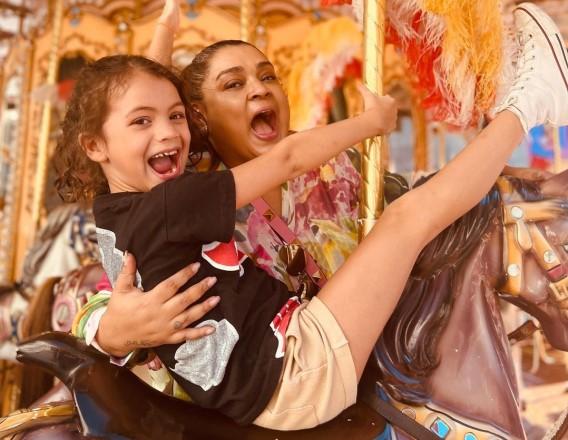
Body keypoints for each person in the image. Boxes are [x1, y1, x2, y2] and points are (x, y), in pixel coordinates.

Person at [68, 1, 567, 431]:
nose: (259, 91)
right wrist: (111, 327)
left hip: (375, 364)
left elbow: (432, 202)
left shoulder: (338, 170)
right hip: (289, 380)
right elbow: (112, 287)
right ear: (199, 114)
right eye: (234, 84)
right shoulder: (183, 192)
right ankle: (527, 101)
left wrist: (519, 184)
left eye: (268, 77)